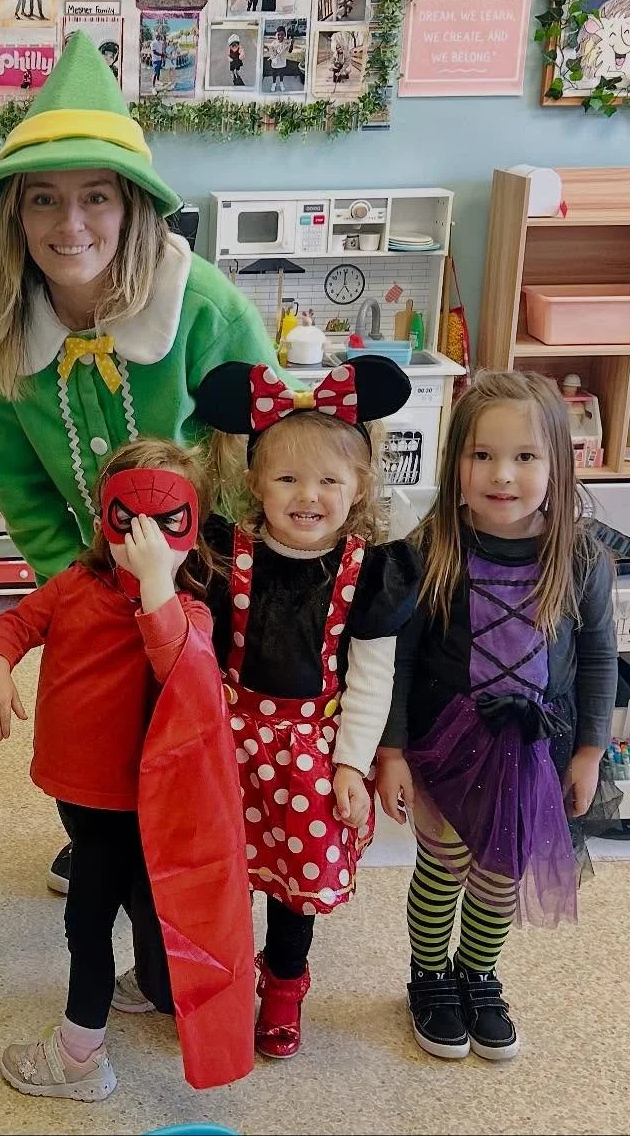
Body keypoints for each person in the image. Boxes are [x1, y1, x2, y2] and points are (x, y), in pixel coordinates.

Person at [0, 31, 282, 899]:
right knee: (94, 717)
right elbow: (16, 480)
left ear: (133, 205)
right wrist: (87, 594)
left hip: (212, 564)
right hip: (93, 571)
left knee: (201, 719)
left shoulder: (204, 306)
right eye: (43, 201)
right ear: (13, 216)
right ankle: (103, 834)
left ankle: (200, 850)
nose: (71, 226)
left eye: (96, 196)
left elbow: (267, 455)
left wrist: (208, 589)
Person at [0, 440, 254, 1100]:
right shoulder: (75, 585)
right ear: (105, 515)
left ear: (195, 523)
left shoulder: (189, 612)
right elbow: (16, 620)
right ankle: (155, 986)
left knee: (90, 923)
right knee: (140, 904)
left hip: (136, 807)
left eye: (167, 520)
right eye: (130, 517)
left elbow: (183, 669)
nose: (145, 535)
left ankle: (77, 1055)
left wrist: (157, 581)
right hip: (80, 793)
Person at [377, 371, 617, 1064]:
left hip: (535, 751)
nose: (501, 474)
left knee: (499, 870)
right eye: (481, 455)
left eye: (524, 457)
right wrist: (390, 751)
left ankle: (476, 974)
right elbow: (397, 655)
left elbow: (600, 653)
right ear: (456, 461)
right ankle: (429, 977)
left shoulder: (579, 557)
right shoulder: (432, 549)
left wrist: (590, 751)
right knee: (445, 863)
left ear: (558, 464)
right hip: (446, 745)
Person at [192, 357, 421, 1058]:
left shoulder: (371, 569)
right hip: (228, 743)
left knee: (294, 885)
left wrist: (353, 764)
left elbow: (371, 678)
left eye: (329, 479)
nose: (308, 495)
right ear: (257, 480)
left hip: (311, 755)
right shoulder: (223, 553)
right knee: (221, 870)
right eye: (288, 477)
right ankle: (220, 980)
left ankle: (284, 983)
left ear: (359, 487)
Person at [267, 24, 289, 92]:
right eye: (278, 34)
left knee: (281, 74)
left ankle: (281, 83)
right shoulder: (273, 43)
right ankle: (274, 84)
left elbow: (290, 50)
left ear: (284, 35)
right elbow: (271, 52)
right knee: (274, 74)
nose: (280, 36)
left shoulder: (286, 43)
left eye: (282, 34)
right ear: (276, 35)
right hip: (275, 63)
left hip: (282, 62)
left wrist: (292, 44)